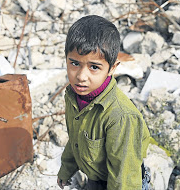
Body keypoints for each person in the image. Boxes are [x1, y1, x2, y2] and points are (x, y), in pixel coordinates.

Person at [57, 15, 150, 190]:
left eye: (94, 67)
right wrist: (66, 168)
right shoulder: (74, 96)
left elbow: (124, 177)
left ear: (112, 69)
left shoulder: (120, 117)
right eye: (74, 63)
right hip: (96, 178)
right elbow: (76, 138)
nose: (81, 77)